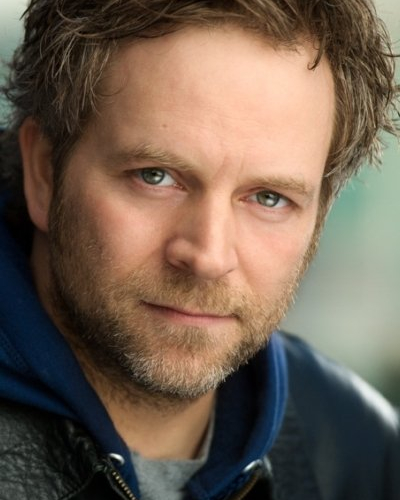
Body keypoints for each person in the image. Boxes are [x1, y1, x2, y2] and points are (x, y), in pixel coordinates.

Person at [0, 0, 399, 498]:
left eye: (269, 198)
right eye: (155, 176)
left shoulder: (363, 450)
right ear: (44, 171)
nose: (208, 257)